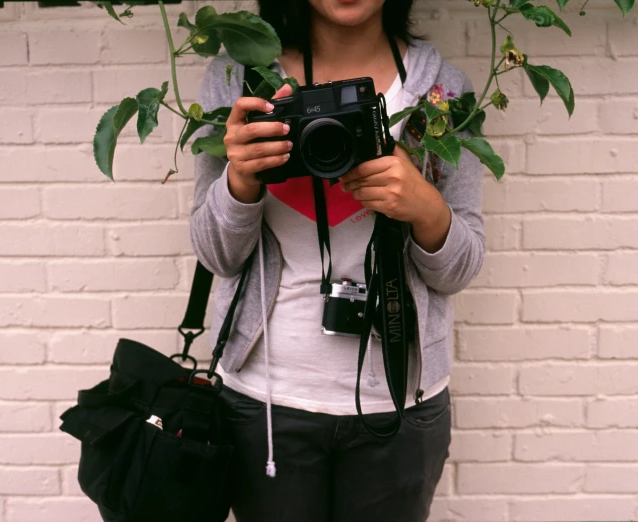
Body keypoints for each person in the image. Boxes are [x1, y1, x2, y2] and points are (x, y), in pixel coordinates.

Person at [189, 0, 485, 520]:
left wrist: (425, 208)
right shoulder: (242, 82)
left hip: (400, 401)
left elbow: (458, 269)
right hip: (265, 401)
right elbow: (217, 255)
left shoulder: (444, 93)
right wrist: (239, 182)